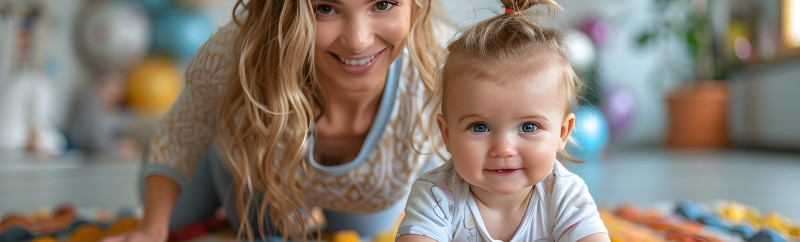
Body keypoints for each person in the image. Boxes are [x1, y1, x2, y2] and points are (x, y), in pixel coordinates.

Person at [102, 0, 450, 241]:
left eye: (384, 3)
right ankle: (216, 141)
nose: (358, 41)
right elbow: (179, 138)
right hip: (259, 171)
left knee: (367, 225)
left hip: (370, 192)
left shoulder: (442, 62)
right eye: (325, 8)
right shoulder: (239, 48)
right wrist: (150, 230)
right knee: (213, 221)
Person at [395, 0, 610, 241]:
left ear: (562, 133)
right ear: (447, 134)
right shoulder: (436, 194)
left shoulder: (564, 195)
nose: (503, 149)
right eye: (479, 127)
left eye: (528, 127)